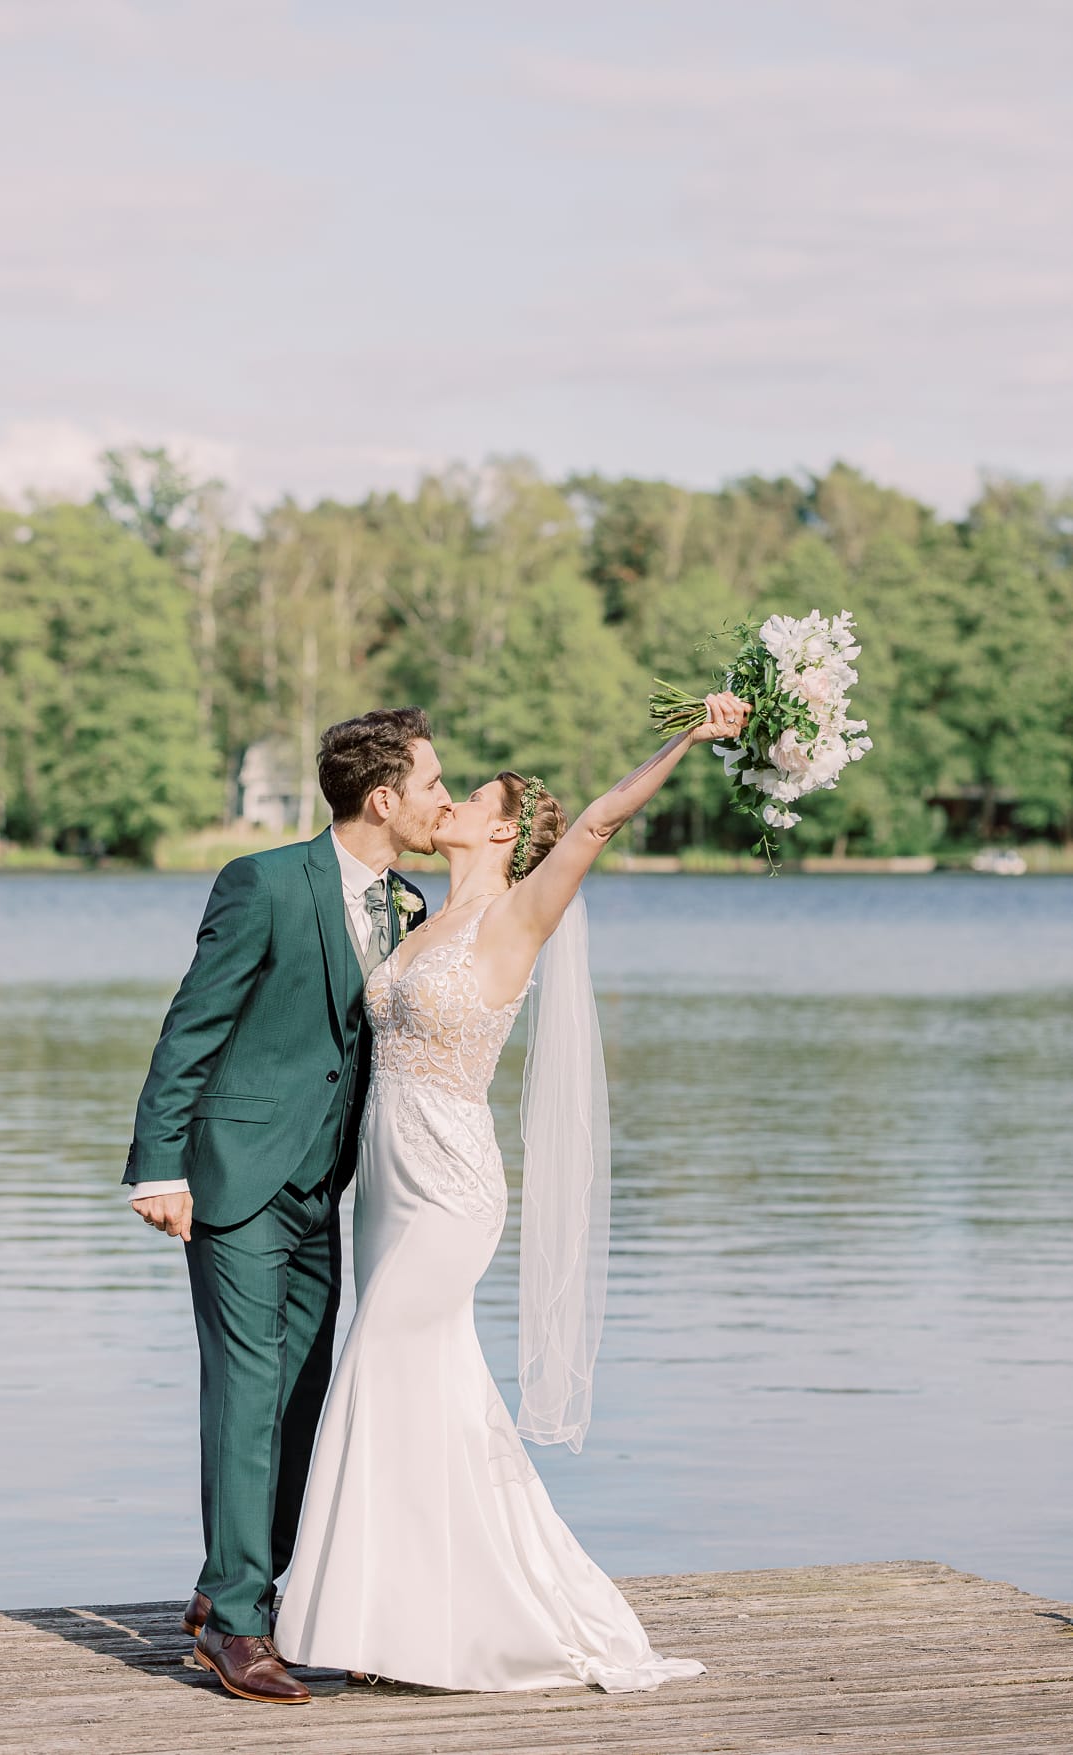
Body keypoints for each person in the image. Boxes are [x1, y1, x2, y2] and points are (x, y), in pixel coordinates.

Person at [274, 690, 750, 1692]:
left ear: (501, 830)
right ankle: (396, 1622)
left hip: (451, 1189)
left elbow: (597, 823)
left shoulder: (514, 918)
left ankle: (394, 1620)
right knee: (426, 1388)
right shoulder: (416, 916)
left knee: (379, 1363)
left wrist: (690, 737)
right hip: (386, 1188)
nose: (441, 800)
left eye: (465, 792)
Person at [123, 707, 448, 1705]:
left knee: (306, 1394)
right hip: (236, 1176)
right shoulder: (262, 883)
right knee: (248, 1389)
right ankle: (235, 1626)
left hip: (325, 1187)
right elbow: (193, 1027)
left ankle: (235, 1589)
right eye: (433, 782)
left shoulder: (409, 902)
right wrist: (158, 1168)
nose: (442, 798)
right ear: (381, 797)